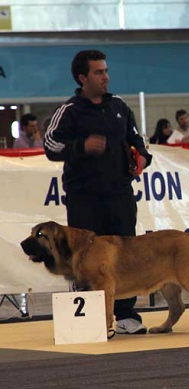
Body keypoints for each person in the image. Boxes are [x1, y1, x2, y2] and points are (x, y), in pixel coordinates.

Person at [44, 49, 153, 335]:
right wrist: (81, 146)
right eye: (98, 72)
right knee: (85, 259)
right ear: (82, 78)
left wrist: (140, 158)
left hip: (120, 195)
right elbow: (50, 146)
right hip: (85, 199)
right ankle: (90, 319)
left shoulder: (119, 106)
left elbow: (137, 141)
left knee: (125, 256)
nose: (105, 77)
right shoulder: (69, 111)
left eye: (105, 71)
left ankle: (126, 314)